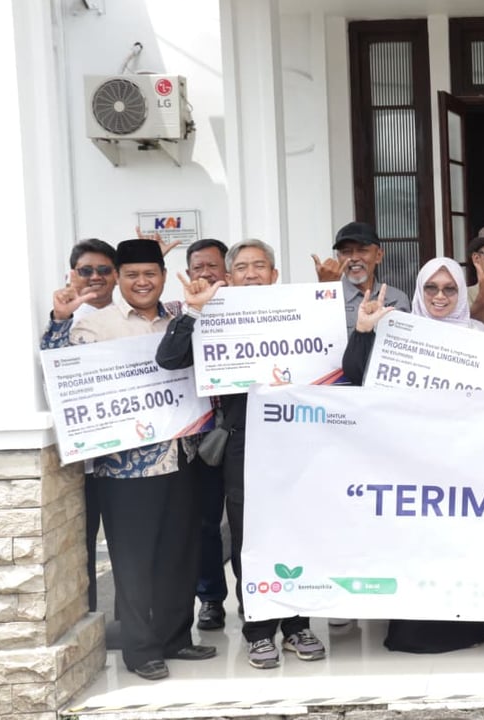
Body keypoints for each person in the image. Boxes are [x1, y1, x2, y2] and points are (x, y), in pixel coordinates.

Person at [46, 239, 214, 680]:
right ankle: (140, 651)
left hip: (181, 456)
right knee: (134, 562)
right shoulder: (94, 324)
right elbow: (62, 374)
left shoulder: (180, 315)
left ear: (163, 276)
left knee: (180, 553)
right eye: (132, 275)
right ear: (118, 279)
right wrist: (59, 321)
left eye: (151, 274)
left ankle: (176, 637)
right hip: (125, 467)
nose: (143, 282)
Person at [157, 239, 327, 669]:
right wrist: (193, 312)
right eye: (243, 267)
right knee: (250, 538)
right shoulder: (210, 316)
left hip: (297, 438)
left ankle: (297, 625)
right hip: (244, 442)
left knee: (297, 531)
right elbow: (169, 359)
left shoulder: (300, 313)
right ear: (229, 277)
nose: (252, 273)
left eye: (260, 266)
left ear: (274, 275)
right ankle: (259, 630)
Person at [341, 257, 484, 653]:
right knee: (417, 544)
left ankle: (467, 624)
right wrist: (364, 329)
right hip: (410, 459)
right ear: (420, 290)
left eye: (450, 288)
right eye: (431, 288)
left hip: (462, 460)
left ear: (461, 293)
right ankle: (414, 627)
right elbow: (356, 373)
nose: (440, 296)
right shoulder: (398, 329)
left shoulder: (479, 335)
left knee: (460, 543)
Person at [40, 239, 118, 615]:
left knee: (131, 548)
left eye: (104, 270)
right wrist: (61, 318)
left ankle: (136, 628)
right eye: (86, 270)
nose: (95, 277)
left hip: (125, 458)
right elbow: (51, 367)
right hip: (80, 462)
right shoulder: (65, 318)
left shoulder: (131, 316)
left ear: (116, 275)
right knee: (81, 547)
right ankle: (88, 621)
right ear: (71, 274)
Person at [182, 239, 230, 632]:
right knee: (204, 525)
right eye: (198, 267)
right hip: (201, 441)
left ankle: (258, 600)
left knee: (253, 523)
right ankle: (211, 599)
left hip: (250, 436)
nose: (205, 273)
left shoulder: (257, 310)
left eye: (212, 266)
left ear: (226, 270)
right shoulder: (179, 313)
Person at [312, 221, 411, 334]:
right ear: (338, 258)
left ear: (378, 255)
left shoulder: (397, 298)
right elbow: (318, 335)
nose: (354, 258)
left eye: (362, 250)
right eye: (346, 252)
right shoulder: (324, 299)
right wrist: (326, 289)